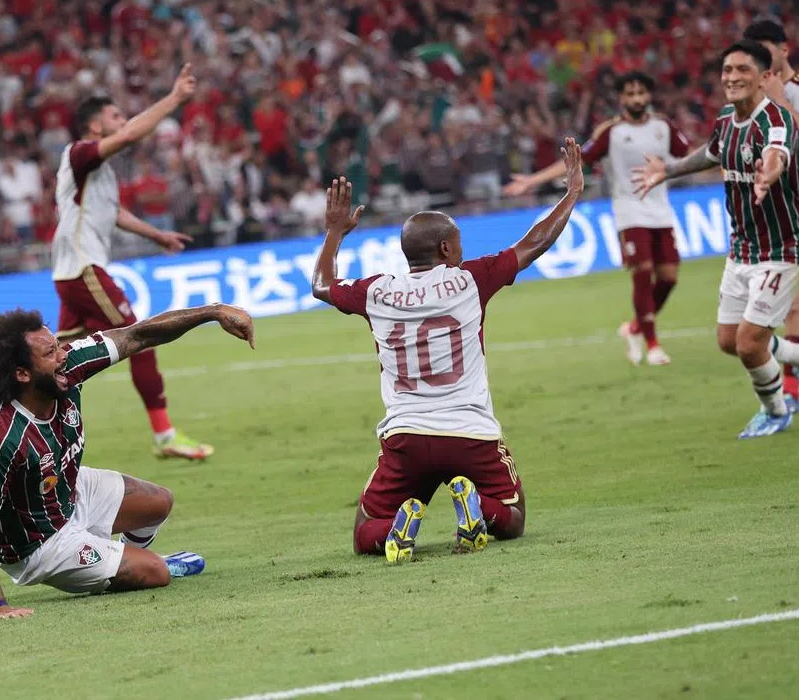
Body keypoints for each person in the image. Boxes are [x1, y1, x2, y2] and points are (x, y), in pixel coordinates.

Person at [312, 139, 584, 563]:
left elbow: (321, 286)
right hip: (470, 434)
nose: (462, 250)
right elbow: (534, 244)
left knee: (365, 530)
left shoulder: (376, 291)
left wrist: (334, 232)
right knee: (513, 517)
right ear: (444, 249)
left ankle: (400, 526)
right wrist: (571, 194)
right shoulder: (471, 280)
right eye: (457, 243)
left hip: (406, 439)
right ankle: (477, 508)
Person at [0, 303, 254, 619]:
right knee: (157, 573)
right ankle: (131, 563)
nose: (63, 356)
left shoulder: (68, 367)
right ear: (22, 374)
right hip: (40, 545)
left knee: (160, 503)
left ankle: (119, 558)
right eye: (49, 354)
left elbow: (137, 335)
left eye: (58, 347)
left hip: (68, 490)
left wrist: (213, 312)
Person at [633, 41, 799, 438]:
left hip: (779, 250)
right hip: (740, 249)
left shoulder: (777, 119)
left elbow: (777, 154)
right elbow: (712, 152)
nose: (732, 77)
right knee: (728, 340)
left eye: (742, 70)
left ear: (762, 78)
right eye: (727, 70)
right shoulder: (726, 119)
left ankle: (776, 410)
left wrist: (769, 174)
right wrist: (668, 171)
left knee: (748, 343)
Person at [52, 63, 213, 460]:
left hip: (74, 274)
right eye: (114, 115)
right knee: (140, 338)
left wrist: (157, 236)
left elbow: (116, 214)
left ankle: (43, 433)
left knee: (57, 362)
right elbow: (128, 135)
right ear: (94, 126)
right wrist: (174, 99)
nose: (122, 121)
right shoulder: (79, 154)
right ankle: (164, 436)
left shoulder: (99, 173)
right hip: (84, 270)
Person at [505, 72, 690, 366]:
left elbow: (688, 156)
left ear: (649, 96)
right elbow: (577, 160)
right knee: (642, 272)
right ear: (621, 98)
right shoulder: (611, 133)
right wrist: (532, 181)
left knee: (668, 277)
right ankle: (652, 345)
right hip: (629, 211)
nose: (636, 99)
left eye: (641, 93)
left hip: (662, 210)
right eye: (630, 94)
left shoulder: (663, 126)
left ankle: (634, 328)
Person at [744, 20, 799, 397]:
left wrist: (780, 101)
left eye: (766, 48)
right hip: (782, 215)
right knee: (786, 309)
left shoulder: (789, 93)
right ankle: (791, 391)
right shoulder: (756, 104)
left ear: (784, 49)